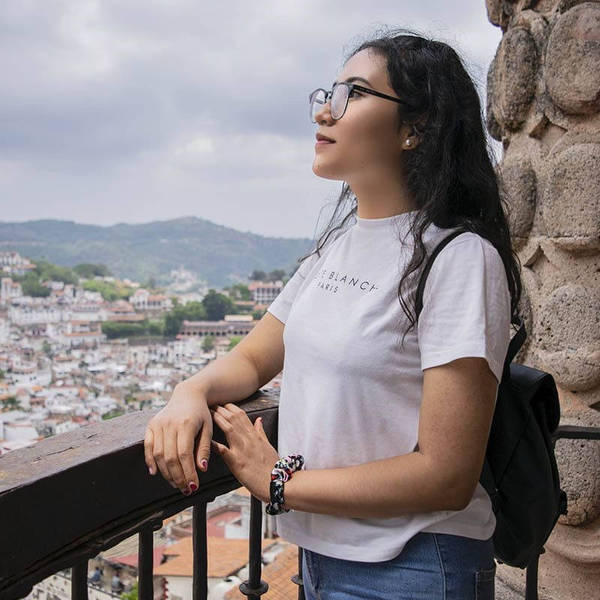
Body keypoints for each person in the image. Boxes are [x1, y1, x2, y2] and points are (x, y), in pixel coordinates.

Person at [144, 28, 523, 599]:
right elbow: (254, 358)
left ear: (416, 128)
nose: (325, 111)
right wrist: (188, 393)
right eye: (329, 93)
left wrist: (278, 481)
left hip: (415, 565)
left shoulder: (459, 258)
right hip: (322, 560)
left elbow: (446, 474)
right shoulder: (336, 247)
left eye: (355, 93)